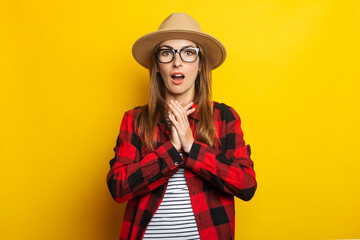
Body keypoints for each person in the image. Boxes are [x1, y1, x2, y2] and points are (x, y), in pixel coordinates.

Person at [106, 13, 257, 240]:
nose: (177, 62)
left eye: (188, 53)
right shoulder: (135, 120)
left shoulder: (224, 117)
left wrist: (192, 147)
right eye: (167, 53)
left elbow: (246, 185)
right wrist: (172, 149)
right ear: (157, 66)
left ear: (200, 65)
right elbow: (118, 187)